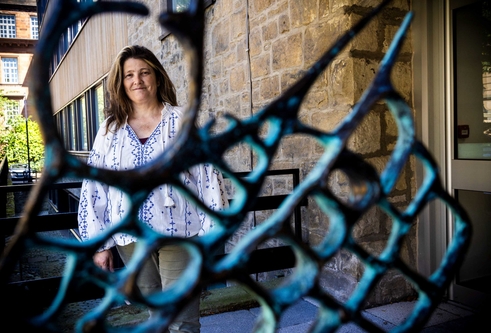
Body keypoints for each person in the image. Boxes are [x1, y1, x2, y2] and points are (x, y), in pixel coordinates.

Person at [77, 45, 228, 333]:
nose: (137, 80)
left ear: (156, 76)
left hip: (180, 231)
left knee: (182, 320)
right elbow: (95, 188)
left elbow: (208, 175)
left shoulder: (181, 121)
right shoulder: (110, 129)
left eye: (144, 72)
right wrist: (100, 244)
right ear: (120, 83)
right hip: (130, 238)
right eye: (129, 75)